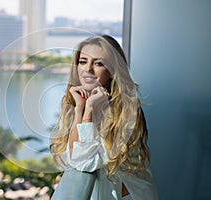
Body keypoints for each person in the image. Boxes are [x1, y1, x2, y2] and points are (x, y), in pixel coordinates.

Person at [50, 35, 158, 200]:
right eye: (83, 61)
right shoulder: (78, 101)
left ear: (113, 71)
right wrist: (80, 109)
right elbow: (70, 158)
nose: (88, 69)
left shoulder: (127, 108)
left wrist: (89, 110)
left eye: (98, 63)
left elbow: (84, 162)